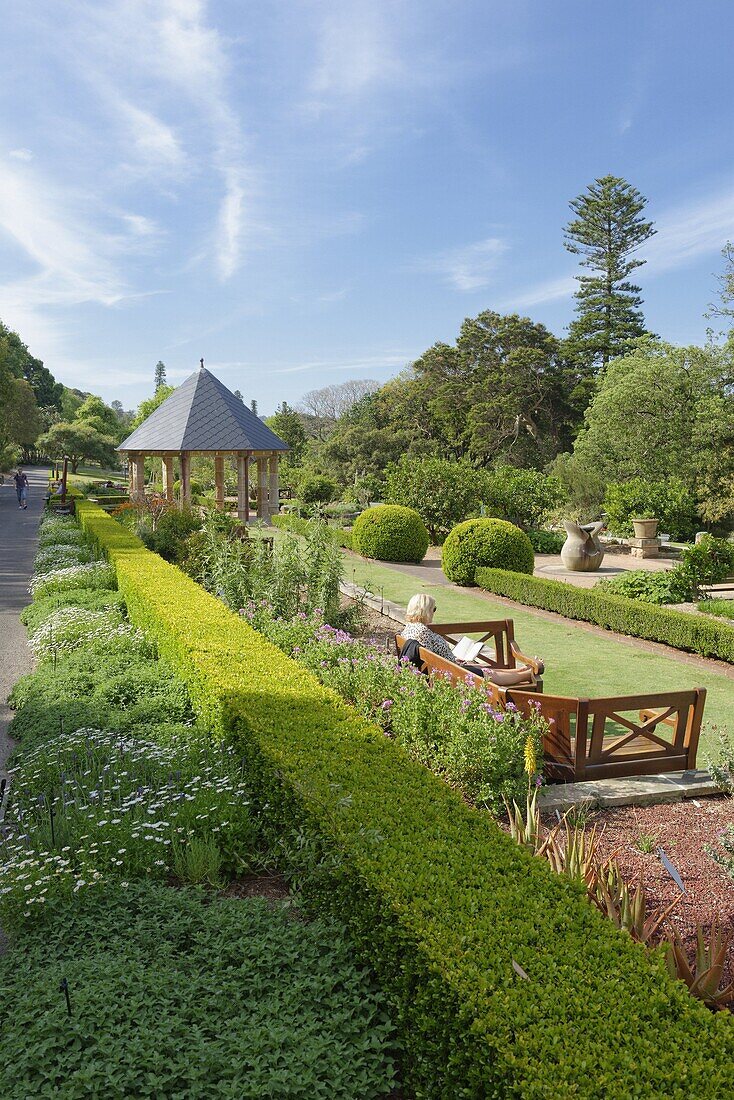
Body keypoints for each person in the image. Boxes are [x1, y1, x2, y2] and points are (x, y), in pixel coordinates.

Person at [400, 594, 486, 676]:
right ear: (425, 611)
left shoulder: (410, 626)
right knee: (491, 673)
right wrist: (452, 661)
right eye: (434, 609)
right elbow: (430, 661)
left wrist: (453, 659)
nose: (434, 612)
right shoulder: (422, 631)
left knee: (484, 668)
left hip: (451, 666)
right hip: (450, 672)